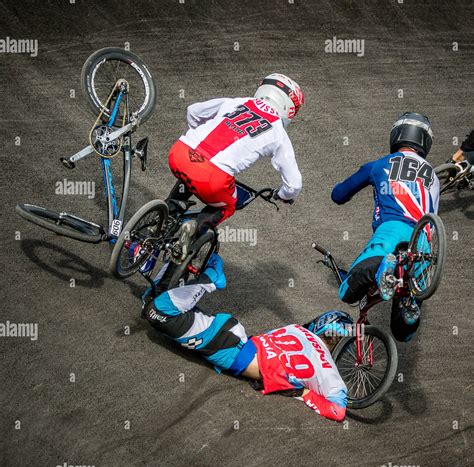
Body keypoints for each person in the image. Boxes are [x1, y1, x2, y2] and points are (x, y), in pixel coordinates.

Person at [142, 254, 349, 422]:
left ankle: (178, 257)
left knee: (161, 306)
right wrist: (304, 393)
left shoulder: (297, 330)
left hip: (234, 339)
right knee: (157, 312)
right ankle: (210, 279)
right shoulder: (329, 369)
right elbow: (338, 411)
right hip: (228, 347)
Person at [166, 73, 304, 263]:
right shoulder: (278, 132)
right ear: (289, 108)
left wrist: (195, 135)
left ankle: (161, 217)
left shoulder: (238, 101)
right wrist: (283, 195)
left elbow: (193, 110)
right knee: (229, 205)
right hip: (213, 177)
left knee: (189, 176)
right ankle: (194, 228)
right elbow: (294, 184)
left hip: (180, 152)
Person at [331, 112, 440, 342]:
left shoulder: (380, 164)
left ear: (397, 135)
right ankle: (409, 303)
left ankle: (382, 266)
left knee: (347, 292)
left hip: (392, 230)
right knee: (403, 332)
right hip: (424, 242)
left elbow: (338, 195)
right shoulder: (434, 176)